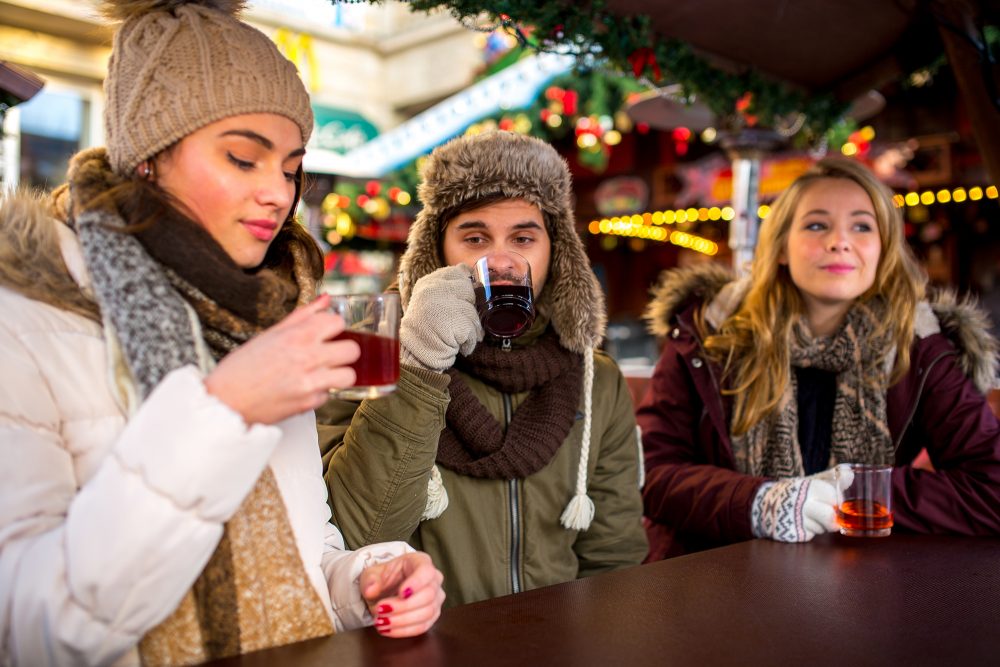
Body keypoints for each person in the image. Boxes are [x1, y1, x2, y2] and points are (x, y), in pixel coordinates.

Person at [0, 2, 444, 665]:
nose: (278, 193)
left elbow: (297, 550)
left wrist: (363, 579)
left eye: (292, 167)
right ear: (147, 157)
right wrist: (221, 412)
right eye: (244, 158)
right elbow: (32, 627)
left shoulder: (262, 311)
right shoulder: (30, 315)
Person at [318, 131, 647, 606]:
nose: (499, 260)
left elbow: (614, 558)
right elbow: (356, 536)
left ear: (555, 256)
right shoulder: (368, 351)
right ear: (436, 252)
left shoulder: (596, 379)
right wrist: (418, 363)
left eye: (523, 238)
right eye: (474, 238)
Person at [638, 157, 1000, 560]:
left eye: (862, 226)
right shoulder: (706, 333)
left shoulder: (919, 345)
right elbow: (649, 475)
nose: (839, 241)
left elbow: (991, 488)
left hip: (860, 580)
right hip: (712, 575)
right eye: (816, 225)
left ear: (883, 250)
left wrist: (853, 490)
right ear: (780, 248)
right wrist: (758, 502)